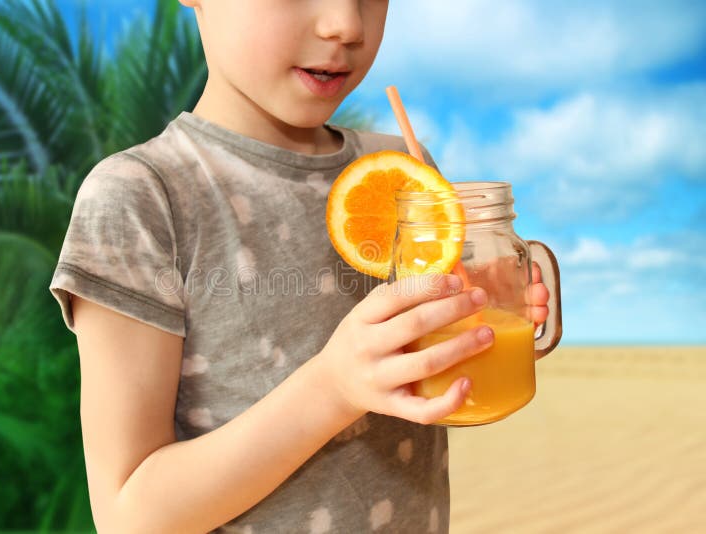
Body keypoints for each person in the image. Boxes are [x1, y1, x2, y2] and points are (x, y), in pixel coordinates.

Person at [49, 1, 551, 532]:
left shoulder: (403, 176)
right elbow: (128, 515)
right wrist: (333, 390)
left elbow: (436, 375)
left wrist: (486, 305)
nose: (346, 25)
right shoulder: (143, 198)